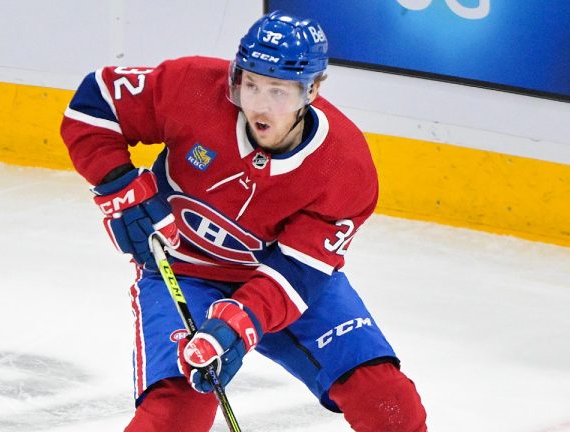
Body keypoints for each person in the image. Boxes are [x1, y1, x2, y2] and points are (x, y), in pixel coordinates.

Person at [61, 10, 427, 432]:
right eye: (250, 84)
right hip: (180, 273)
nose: (258, 104)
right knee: (175, 415)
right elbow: (95, 103)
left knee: (387, 401)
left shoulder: (344, 165)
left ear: (313, 90)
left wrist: (241, 321)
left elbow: (300, 270)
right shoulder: (193, 86)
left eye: (278, 91)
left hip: (280, 284)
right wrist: (118, 186)